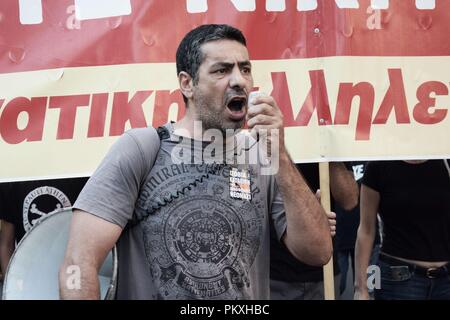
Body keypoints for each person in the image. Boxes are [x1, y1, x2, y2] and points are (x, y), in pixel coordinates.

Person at [59, 24, 332, 300]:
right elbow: (78, 263)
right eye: (222, 70)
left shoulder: (263, 155)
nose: (239, 81)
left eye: (245, 69)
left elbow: (318, 252)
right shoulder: (140, 149)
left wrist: (280, 155)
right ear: (187, 84)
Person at [354, 160, 450, 300]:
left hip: (446, 281)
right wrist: (361, 289)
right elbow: (366, 230)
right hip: (397, 281)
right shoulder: (379, 165)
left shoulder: (445, 160)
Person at [270, 162, 359, 300]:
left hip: (324, 271)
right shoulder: (269, 146)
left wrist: (327, 153)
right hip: (274, 273)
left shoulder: (326, 150)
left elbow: (350, 200)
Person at [0, 178, 88, 276]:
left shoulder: (80, 174)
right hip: (29, 277)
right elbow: (6, 244)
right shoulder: (12, 181)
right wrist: (10, 287)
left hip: (73, 273)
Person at [334, 162, 381, 298]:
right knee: (336, 287)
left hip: (371, 240)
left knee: (371, 290)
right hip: (339, 238)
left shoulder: (371, 159)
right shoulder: (334, 160)